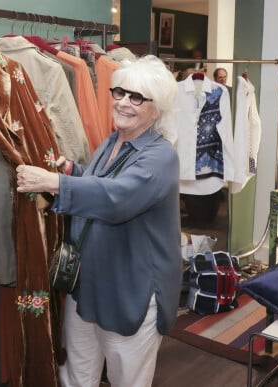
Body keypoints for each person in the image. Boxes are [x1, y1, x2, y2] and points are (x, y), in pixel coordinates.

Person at [16, 55, 182, 387]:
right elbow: (101, 182)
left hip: (129, 291)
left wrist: (53, 183)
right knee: (78, 374)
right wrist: (70, 172)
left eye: (136, 97)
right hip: (88, 283)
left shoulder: (161, 157)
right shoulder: (113, 141)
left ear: (157, 108)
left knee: (127, 379)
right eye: (119, 92)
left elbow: (117, 198)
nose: (123, 102)